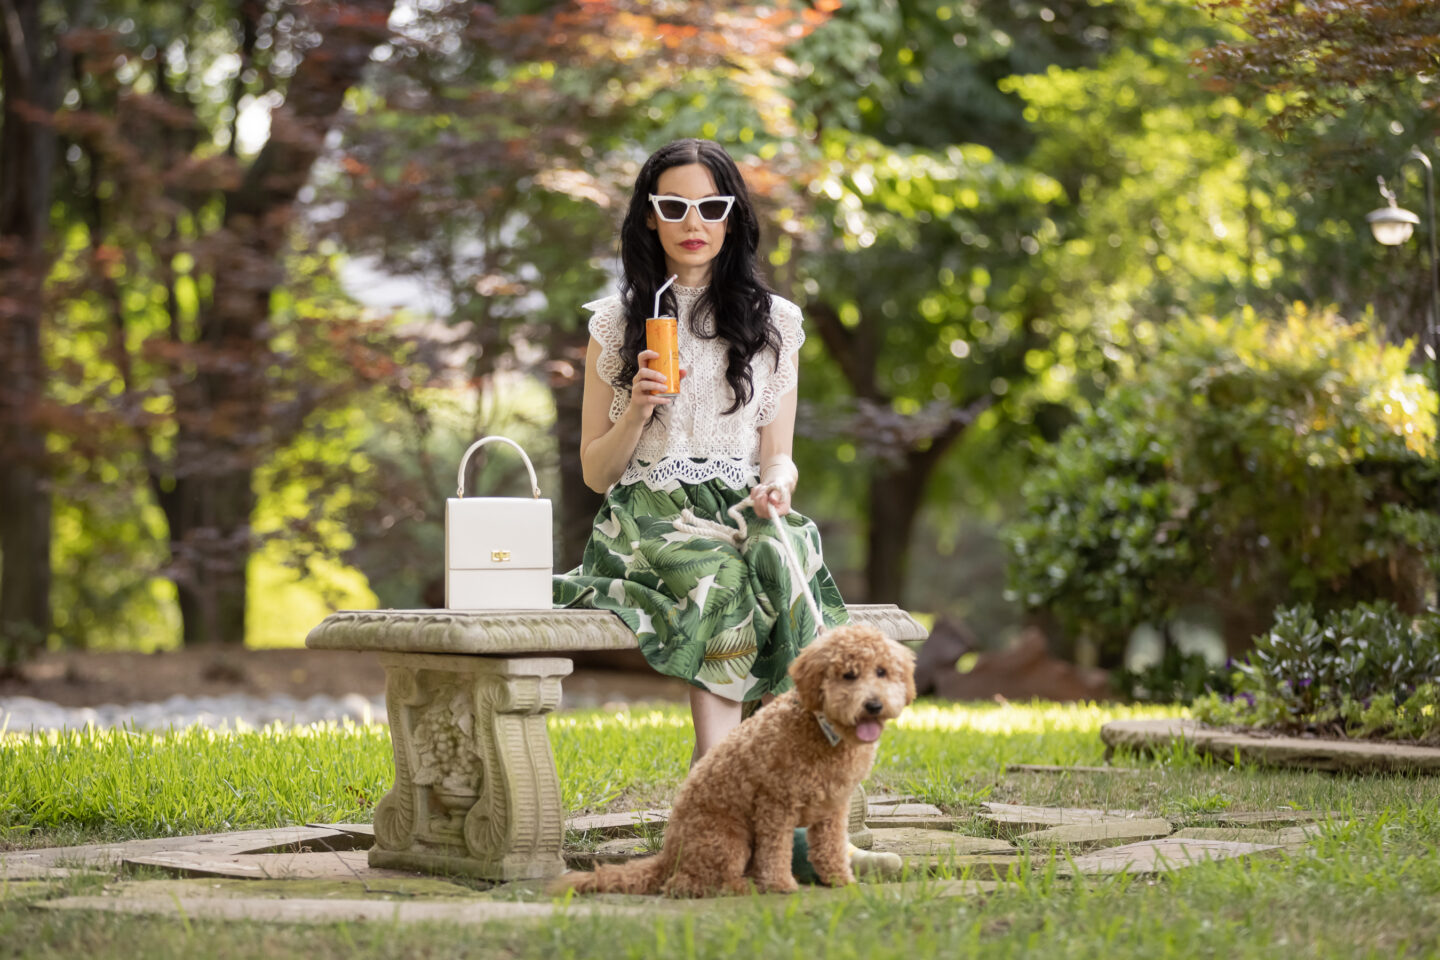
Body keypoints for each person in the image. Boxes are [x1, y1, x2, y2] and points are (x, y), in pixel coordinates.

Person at [552, 138, 899, 882]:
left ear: (733, 217)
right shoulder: (617, 324)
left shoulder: (774, 322)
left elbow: (779, 451)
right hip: (649, 514)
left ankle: (818, 819)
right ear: (650, 219)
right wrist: (639, 409)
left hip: (740, 501)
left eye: (711, 207)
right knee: (721, 582)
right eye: (673, 207)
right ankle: (720, 790)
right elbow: (595, 472)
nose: (693, 222)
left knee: (787, 557)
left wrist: (779, 484)